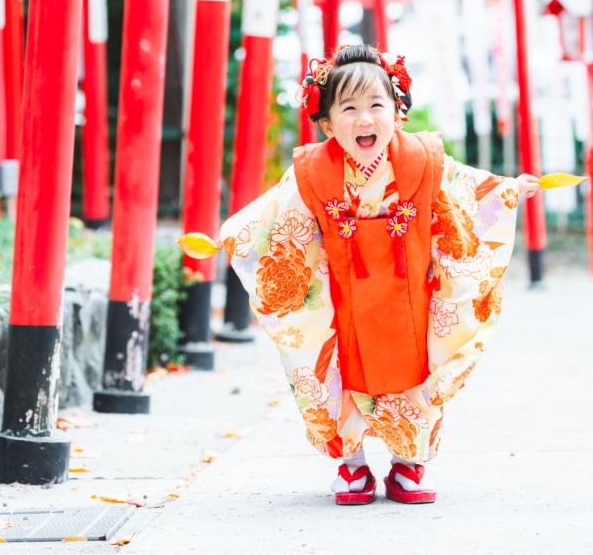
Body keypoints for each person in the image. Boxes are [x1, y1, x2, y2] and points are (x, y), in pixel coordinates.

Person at [220, 44, 541, 506]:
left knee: (414, 370)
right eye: (348, 108)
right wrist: (236, 235)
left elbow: (464, 191)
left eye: (376, 105)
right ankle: (351, 465)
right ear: (328, 124)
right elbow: (274, 215)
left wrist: (507, 190)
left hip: (409, 297)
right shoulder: (312, 171)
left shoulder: (425, 161)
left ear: (398, 112)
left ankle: (408, 462)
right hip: (342, 299)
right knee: (333, 367)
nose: (365, 118)